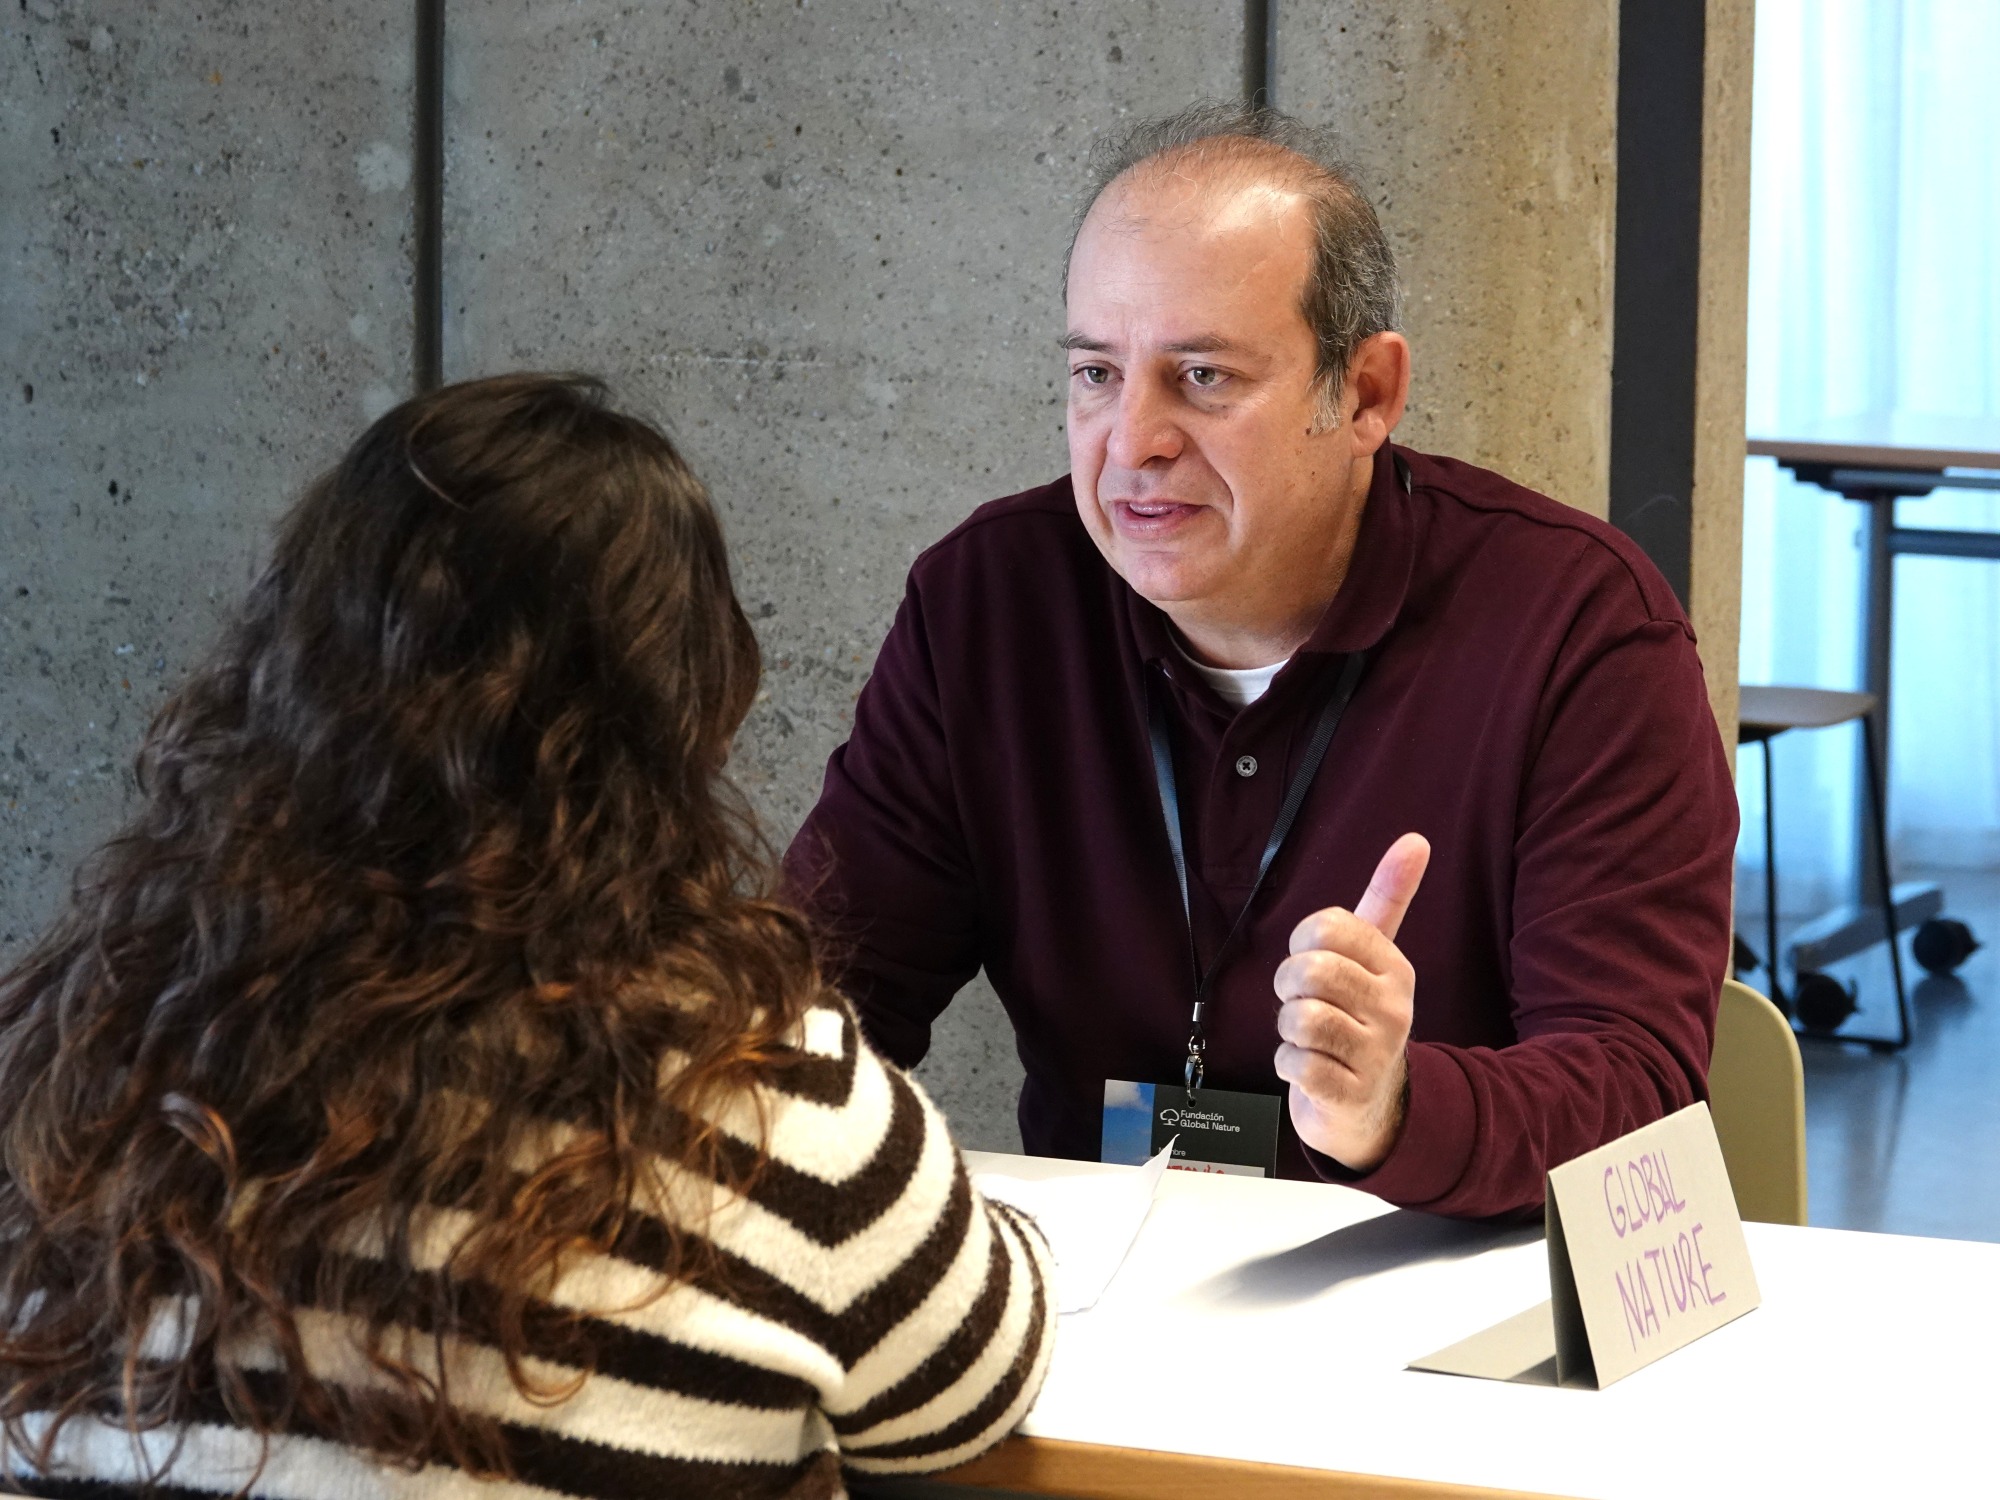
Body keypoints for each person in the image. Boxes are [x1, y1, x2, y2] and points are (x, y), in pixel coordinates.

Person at [0, 375, 1052, 1499]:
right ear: (691, 704)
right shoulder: (777, 1105)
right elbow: (964, 1400)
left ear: (285, 665)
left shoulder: (83, 1067)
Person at [787, 104, 1738, 1220]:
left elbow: (1634, 1093)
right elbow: (824, 1001)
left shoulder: (1577, 629)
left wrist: (1395, 1103)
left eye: (1200, 378)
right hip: (1103, 1309)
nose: (1130, 440)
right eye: (1095, 374)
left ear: (1366, 395)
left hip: (1443, 1300)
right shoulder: (988, 605)